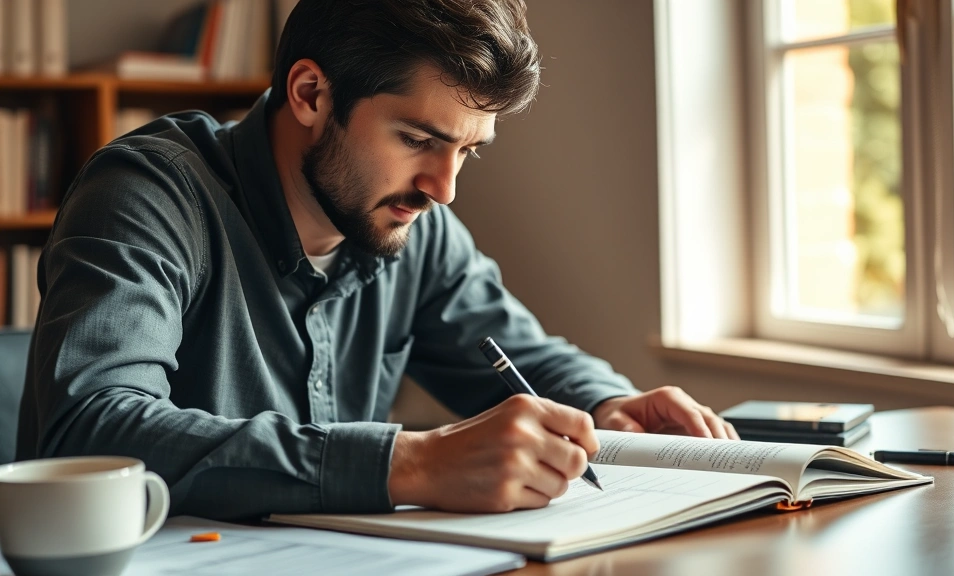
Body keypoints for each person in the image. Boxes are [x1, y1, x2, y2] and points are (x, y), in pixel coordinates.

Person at [16, 0, 737, 519]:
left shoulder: (412, 227)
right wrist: (412, 463)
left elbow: (520, 356)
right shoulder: (148, 195)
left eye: (467, 151)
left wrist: (609, 404)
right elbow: (93, 429)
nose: (443, 189)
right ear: (311, 94)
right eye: (419, 139)